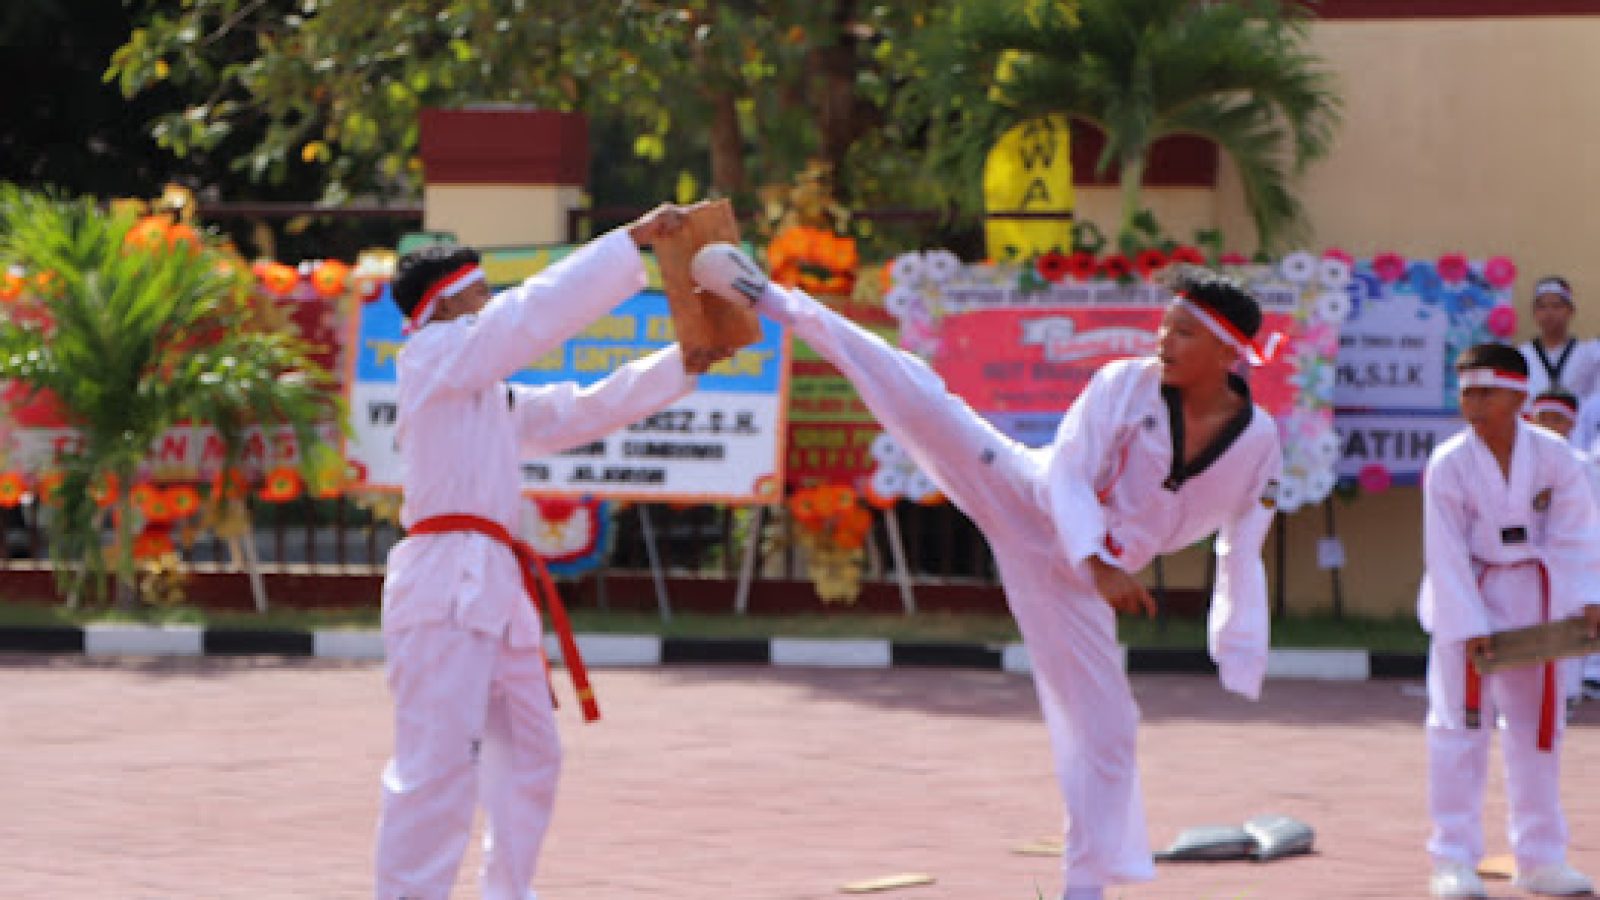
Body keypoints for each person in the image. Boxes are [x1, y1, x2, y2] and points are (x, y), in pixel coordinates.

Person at [693, 244, 1282, 900]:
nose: (1163, 340)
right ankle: (771, 297)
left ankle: (1082, 889)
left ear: (1230, 355)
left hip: (1078, 583)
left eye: (1184, 332)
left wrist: (1237, 645)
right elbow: (1067, 473)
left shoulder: (1258, 444)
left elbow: (1244, 541)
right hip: (1027, 499)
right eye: (1166, 324)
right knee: (920, 395)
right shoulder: (1126, 382)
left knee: (1110, 729)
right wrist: (1099, 562)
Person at [374, 205, 703, 900]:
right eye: (478, 291)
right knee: (435, 767)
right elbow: (524, 317)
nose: (489, 300)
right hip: (443, 585)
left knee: (530, 756)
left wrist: (684, 360)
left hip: (493, 584)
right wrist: (631, 242)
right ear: (446, 302)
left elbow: (581, 409)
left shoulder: (485, 391)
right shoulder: (432, 358)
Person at [1418, 344, 1600, 898]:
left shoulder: (1557, 458)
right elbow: (1443, 550)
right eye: (1466, 392)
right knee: (1458, 728)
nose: (1473, 404)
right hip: (1468, 591)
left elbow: (1576, 534)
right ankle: (1452, 859)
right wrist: (1468, 624)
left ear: (1519, 395)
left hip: (1539, 594)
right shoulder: (1449, 462)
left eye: (1485, 392)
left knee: (1539, 729)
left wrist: (1589, 597)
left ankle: (1541, 858)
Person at [1519, 276, 1600, 419]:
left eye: (1557, 306)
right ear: (1534, 313)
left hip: (1578, 429)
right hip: (1534, 427)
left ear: (1570, 311)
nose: (1549, 313)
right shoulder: (1521, 354)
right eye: (1542, 307)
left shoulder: (1590, 354)